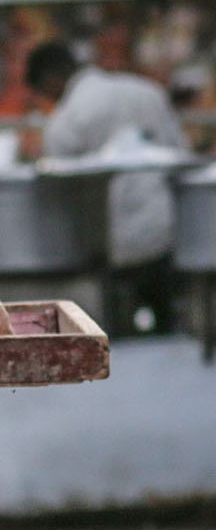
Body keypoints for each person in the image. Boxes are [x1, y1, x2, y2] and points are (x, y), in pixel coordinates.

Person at [25, 39, 189, 335]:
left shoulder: (65, 120)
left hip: (111, 250)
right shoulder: (145, 91)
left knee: (119, 341)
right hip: (167, 233)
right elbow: (180, 154)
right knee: (170, 333)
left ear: (51, 81)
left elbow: (62, 188)